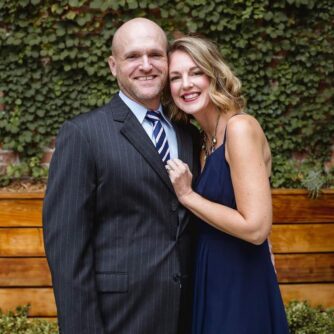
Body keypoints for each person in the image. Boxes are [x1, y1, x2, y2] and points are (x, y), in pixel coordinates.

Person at [43, 18, 200, 334]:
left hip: (189, 313)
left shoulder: (189, 135)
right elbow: (67, 252)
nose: (146, 65)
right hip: (120, 317)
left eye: (155, 54)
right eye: (133, 56)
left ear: (167, 61)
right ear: (113, 66)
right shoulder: (83, 135)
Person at [166, 36, 290, 333]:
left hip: (241, 278)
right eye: (175, 77)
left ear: (215, 75)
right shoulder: (200, 140)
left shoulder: (240, 128)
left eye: (196, 72)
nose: (186, 84)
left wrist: (187, 195)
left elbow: (257, 228)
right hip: (208, 273)